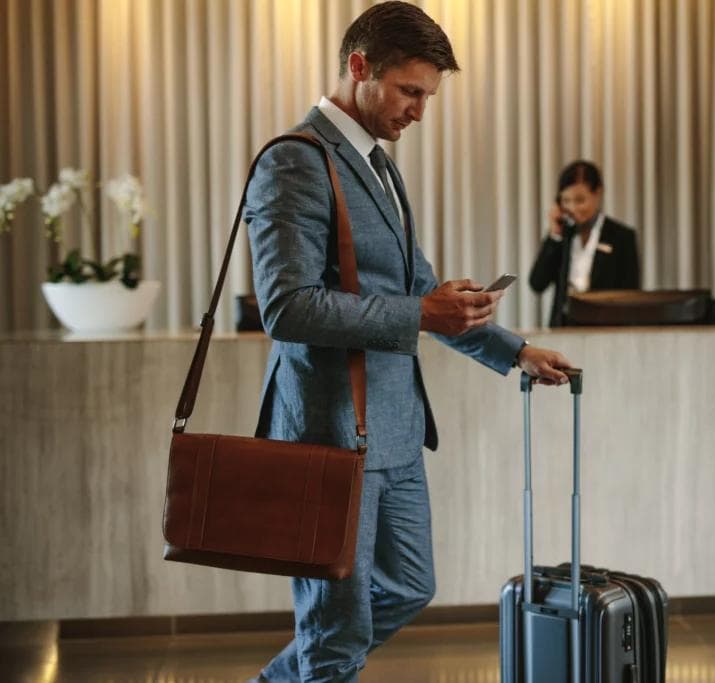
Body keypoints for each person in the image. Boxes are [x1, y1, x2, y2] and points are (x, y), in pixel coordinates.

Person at [243, 3, 572, 681]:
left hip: (393, 429)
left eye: (428, 95)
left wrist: (515, 351)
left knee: (410, 587)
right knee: (336, 629)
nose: (420, 110)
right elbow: (286, 306)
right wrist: (419, 311)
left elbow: (416, 288)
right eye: (410, 91)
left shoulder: (379, 165)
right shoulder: (296, 161)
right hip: (329, 433)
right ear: (360, 68)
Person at [528, 161, 641, 326]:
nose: (573, 208)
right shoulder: (561, 235)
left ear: (597, 193)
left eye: (580, 200)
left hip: (606, 327)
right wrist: (555, 235)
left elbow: (630, 294)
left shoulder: (621, 236)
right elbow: (537, 284)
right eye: (566, 201)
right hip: (564, 328)